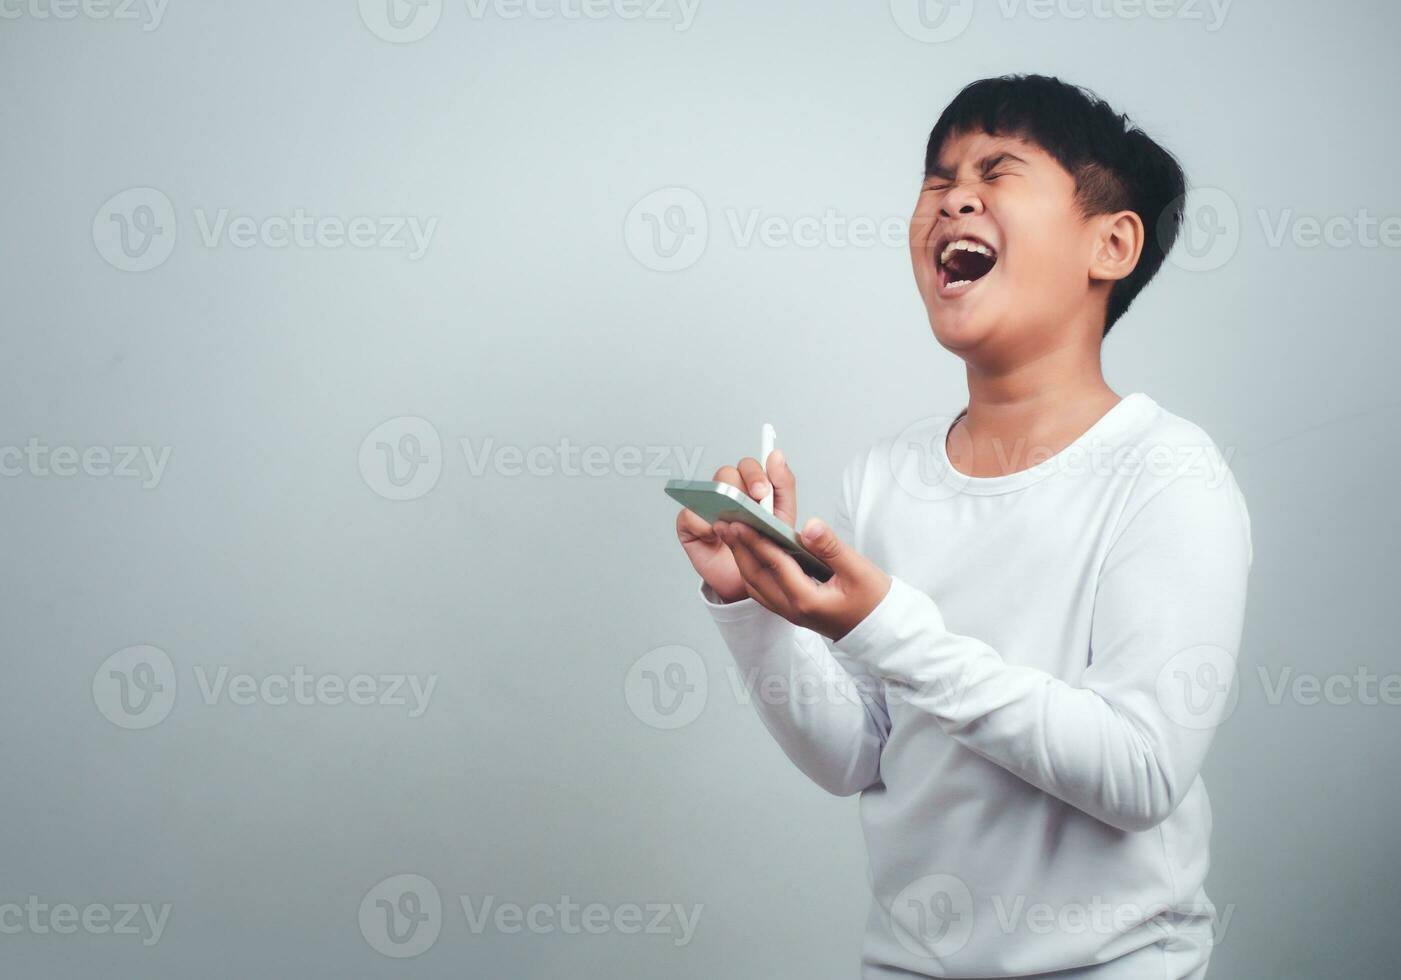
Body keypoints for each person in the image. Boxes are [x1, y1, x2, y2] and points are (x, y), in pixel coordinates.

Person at [674, 74, 1253, 979]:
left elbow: (1141, 772)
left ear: (1110, 243)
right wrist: (748, 602)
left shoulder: (1167, 472)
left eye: (997, 170)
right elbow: (856, 754)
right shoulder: (885, 474)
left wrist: (883, 626)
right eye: (936, 178)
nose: (954, 198)